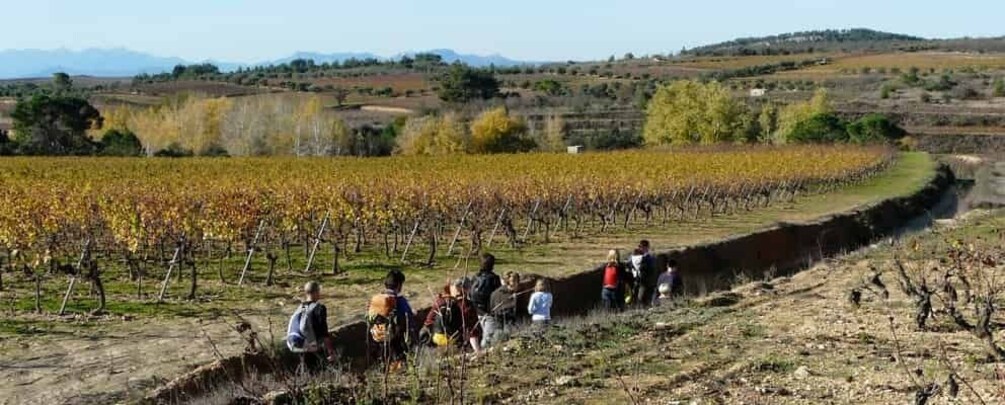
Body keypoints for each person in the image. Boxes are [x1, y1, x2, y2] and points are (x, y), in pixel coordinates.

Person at [366, 269, 416, 369]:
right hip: (395, 342)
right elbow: (409, 320)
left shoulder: (376, 300)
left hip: (376, 339)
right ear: (399, 285)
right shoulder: (400, 301)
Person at [424, 278, 481, 355]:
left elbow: (428, 322)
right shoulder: (466, 305)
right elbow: (472, 330)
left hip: (436, 340)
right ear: (466, 290)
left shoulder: (440, 301)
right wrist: (477, 351)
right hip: (455, 342)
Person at [286, 281, 336, 368]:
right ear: (316, 292)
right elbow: (323, 331)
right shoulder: (319, 308)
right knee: (319, 369)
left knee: (304, 371)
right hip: (309, 346)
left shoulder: (299, 308)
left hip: (293, 345)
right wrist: (330, 350)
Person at [470, 253, 502, 346]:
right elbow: (498, 294)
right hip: (489, 312)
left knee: (480, 334)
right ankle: (484, 354)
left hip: (476, 311)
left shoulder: (475, 277)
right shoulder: (494, 278)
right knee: (488, 338)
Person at [484, 271, 521, 347]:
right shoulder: (502, 294)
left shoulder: (498, 292)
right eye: (515, 282)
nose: (516, 284)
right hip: (501, 322)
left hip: (503, 321)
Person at [636, 240, 657, 306]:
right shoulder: (649, 258)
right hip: (645, 283)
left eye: (640, 247)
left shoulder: (648, 258)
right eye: (639, 247)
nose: (639, 248)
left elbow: (650, 270)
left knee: (641, 300)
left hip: (645, 283)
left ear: (646, 247)